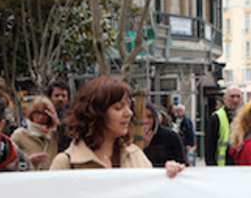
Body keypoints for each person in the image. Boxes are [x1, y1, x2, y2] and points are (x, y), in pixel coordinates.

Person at [49, 76, 183, 177]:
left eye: (129, 107)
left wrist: (168, 175)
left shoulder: (136, 156)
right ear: (96, 113)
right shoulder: (65, 163)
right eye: (118, 108)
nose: (129, 113)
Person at [11, 96, 59, 170]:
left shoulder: (54, 134)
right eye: (37, 113)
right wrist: (28, 160)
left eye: (44, 114)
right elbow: (9, 162)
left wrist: (57, 122)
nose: (40, 117)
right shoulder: (20, 134)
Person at [205, 85, 242, 166]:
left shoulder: (246, 118)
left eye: (238, 96)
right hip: (222, 168)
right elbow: (209, 149)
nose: (235, 100)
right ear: (224, 99)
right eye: (232, 96)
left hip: (240, 168)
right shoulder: (216, 118)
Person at [142, 102, 186, 168]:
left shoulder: (171, 137)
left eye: (149, 117)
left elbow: (181, 164)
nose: (145, 121)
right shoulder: (127, 139)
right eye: (141, 116)